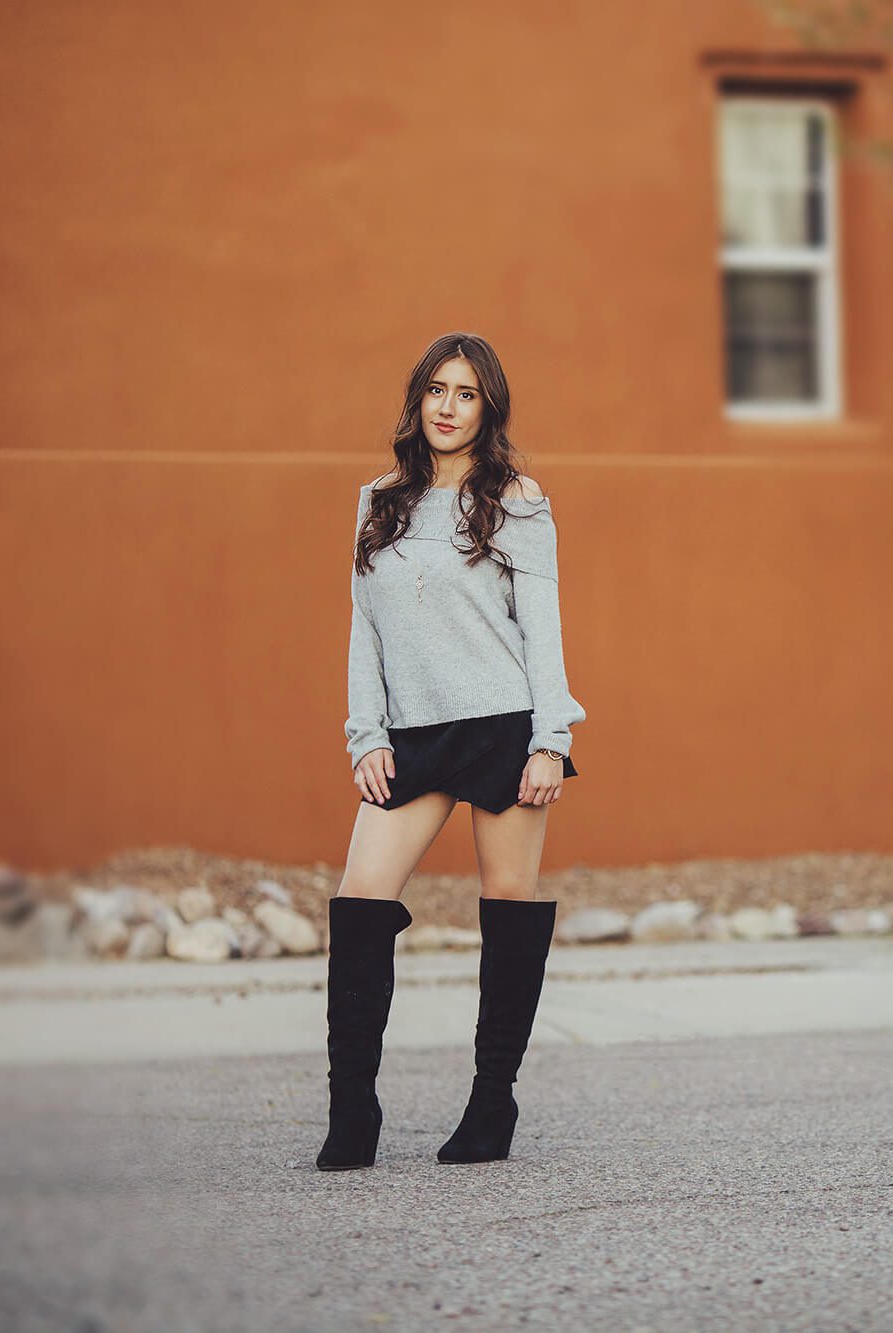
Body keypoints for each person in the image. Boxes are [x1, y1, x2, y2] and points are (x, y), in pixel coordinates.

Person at [318, 331, 586, 1170]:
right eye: (438, 388)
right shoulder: (378, 500)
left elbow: (541, 629)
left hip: (504, 723)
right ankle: (351, 1112)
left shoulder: (518, 499)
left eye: (466, 393)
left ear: (487, 408)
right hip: (412, 734)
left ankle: (490, 1102)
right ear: (418, 399)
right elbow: (366, 628)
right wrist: (366, 732)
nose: (448, 406)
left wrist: (552, 737)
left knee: (509, 905)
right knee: (361, 902)